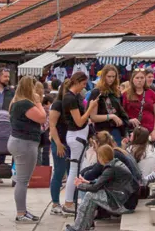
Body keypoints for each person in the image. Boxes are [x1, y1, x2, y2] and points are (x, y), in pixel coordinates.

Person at [65, 145, 136, 231]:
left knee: (89, 195)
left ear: (102, 157)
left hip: (123, 205)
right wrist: (87, 182)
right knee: (91, 197)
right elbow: (101, 184)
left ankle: (78, 227)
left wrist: (79, 185)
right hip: (127, 201)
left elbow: (95, 188)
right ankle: (83, 226)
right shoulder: (115, 163)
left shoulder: (110, 169)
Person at [58, 70, 99, 215]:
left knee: (75, 170)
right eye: (82, 84)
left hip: (78, 135)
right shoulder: (70, 98)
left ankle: (71, 201)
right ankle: (69, 202)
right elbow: (79, 121)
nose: (83, 87)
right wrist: (90, 108)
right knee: (74, 171)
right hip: (76, 136)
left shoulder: (73, 97)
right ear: (77, 82)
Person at [8, 76, 48, 223]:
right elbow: (42, 117)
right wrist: (38, 102)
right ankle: (20, 213)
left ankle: (23, 210)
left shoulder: (15, 101)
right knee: (23, 180)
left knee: (22, 179)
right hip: (25, 142)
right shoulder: (25, 103)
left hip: (18, 141)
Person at [121, 69, 155, 141]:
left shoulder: (151, 93)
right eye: (137, 78)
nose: (139, 80)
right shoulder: (125, 94)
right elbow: (121, 113)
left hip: (150, 131)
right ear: (132, 79)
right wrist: (129, 120)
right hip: (133, 132)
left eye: (142, 78)